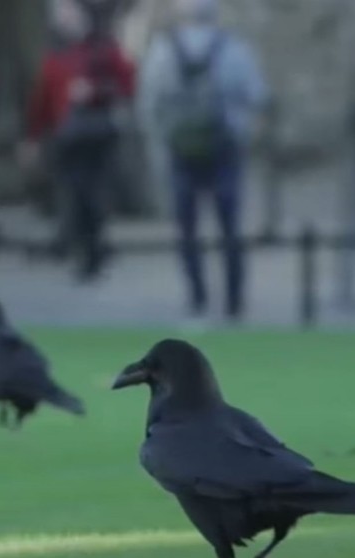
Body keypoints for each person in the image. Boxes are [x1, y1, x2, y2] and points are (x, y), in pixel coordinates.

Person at [139, 0, 268, 323]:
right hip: (225, 146)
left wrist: (161, 140)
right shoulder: (235, 50)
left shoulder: (162, 51)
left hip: (180, 149)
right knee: (229, 225)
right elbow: (256, 96)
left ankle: (197, 298)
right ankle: (234, 301)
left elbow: (148, 102)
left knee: (187, 228)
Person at [21, 0, 136, 282]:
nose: (67, 21)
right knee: (75, 194)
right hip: (68, 135)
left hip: (97, 134)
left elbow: (127, 84)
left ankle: (94, 250)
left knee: (93, 194)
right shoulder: (55, 55)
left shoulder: (104, 49)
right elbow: (43, 100)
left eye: (71, 15)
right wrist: (33, 137)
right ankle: (83, 249)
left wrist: (95, 92)